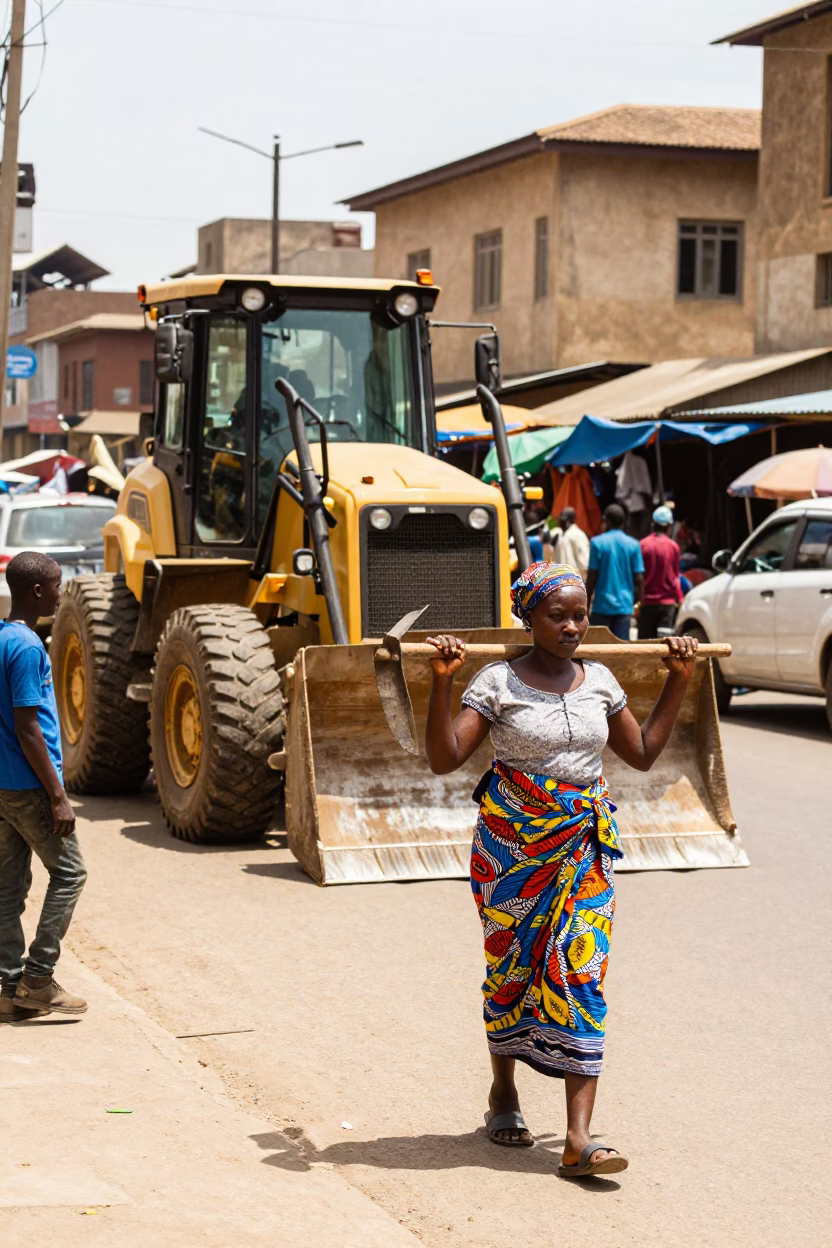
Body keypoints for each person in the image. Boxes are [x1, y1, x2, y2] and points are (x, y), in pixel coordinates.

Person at [424, 563, 698, 1176]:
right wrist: (443, 682)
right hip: (511, 854)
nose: (573, 626)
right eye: (558, 616)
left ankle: (578, 1138)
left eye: (580, 615)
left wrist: (678, 680)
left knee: (582, 971)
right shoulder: (496, 682)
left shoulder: (601, 680)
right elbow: (444, 758)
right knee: (511, 971)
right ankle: (504, 1093)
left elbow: (642, 753)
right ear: (528, 618)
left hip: (583, 848)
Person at [0, 552, 87, 1022]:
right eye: (57, 584)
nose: (61, 592)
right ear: (37, 591)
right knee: (70, 874)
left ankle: (7, 990)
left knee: (7, 888)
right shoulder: (28, 646)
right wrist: (57, 796)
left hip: (2, 786)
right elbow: (28, 728)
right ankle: (37, 979)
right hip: (29, 786)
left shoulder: (1, 637)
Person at [585, 503, 644, 640]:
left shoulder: (597, 542)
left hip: (601, 606)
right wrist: (636, 601)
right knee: (620, 648)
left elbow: (592, 576)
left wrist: (586, 602)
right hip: (624, 607)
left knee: (596, 648)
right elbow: (639, 578)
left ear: (607, 521)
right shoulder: (634, 545)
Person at [638, 505, 682, 639]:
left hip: (647, 603)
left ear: (653, 524)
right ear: (669, 526)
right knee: (665, 644)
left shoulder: (643, 545)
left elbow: (639, 575)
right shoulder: (673, 547)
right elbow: (676, 576)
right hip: (667, 605)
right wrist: (680, 599)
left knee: (645, 645)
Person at [552, 506, 590, 579]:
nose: (558, 522)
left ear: (566, 521)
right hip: (562, 580)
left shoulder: (578, 534)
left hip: (575, 580)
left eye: (561, 520)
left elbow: (585, 562)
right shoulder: (560, 535)